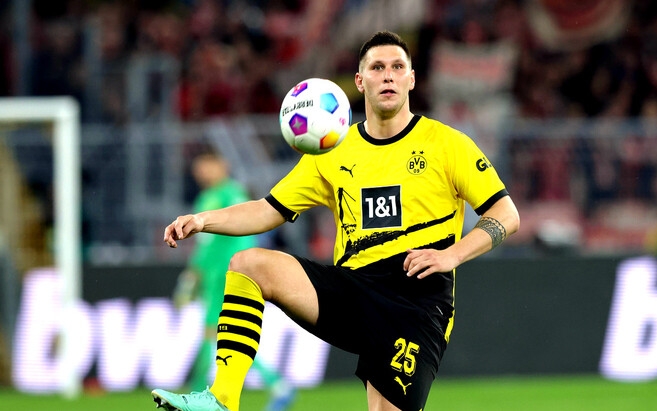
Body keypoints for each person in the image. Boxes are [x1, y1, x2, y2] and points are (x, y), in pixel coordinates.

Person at [152, 30, 520, 411]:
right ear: (359, 81)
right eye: (377, 67)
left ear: (412, 79)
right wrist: (202, 220)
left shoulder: (448, 144)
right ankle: (222, 399)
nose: (388, 75)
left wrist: (452, 255)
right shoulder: (332, 151)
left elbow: (506, 214)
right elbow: (267, 209)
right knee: (248, 264)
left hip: (416, 301)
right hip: (354, 291)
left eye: (398, 67)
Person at [173, 151, 295, 411]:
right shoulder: (206, 197)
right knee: (219, 336)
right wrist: (194, 275)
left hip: (227, 275)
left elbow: (245, 234)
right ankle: (274, 384)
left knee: (216, 334)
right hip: (211, 277)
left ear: (222, 165)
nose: (202, 172)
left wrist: (241, 271)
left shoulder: (232, 193)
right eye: (198, 168)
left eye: (207, 165)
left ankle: (273, 383)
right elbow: (204, 246)